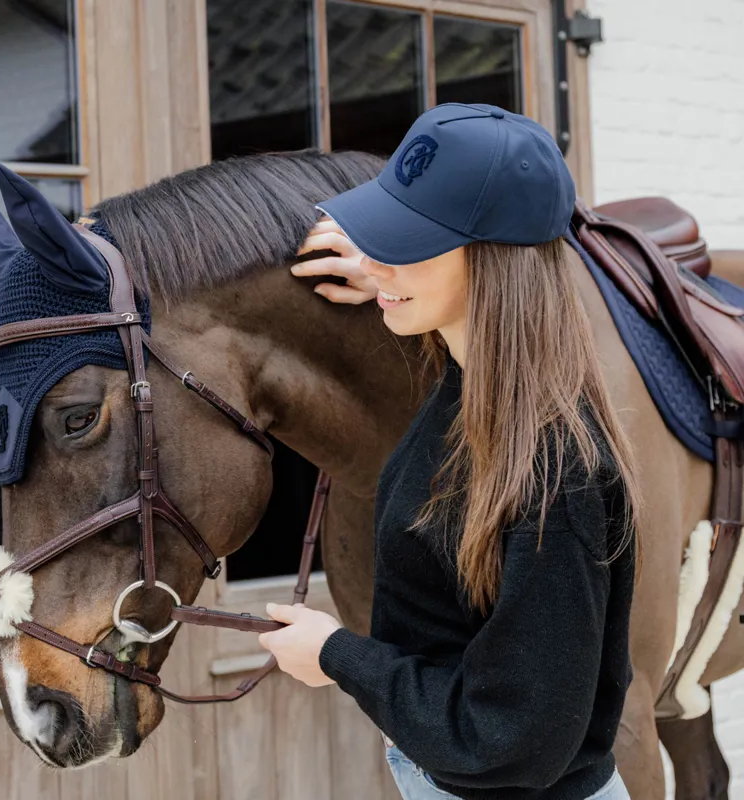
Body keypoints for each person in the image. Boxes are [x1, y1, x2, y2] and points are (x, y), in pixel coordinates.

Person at [257, 103, 640, 800]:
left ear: (492, 268)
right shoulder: (468, 394)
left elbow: (511, 739)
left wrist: (336, 655)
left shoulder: (555, 473)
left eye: (407, 242)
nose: (376, 259)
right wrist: (394, 278)